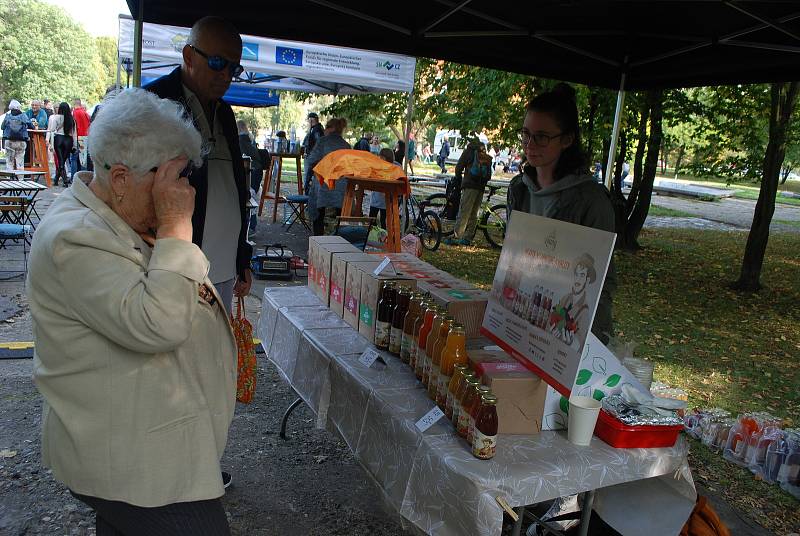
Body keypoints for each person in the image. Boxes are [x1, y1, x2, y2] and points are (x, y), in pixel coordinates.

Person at [28, 87, 236, 535]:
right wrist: (177, 229)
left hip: (138, 441)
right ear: (120, 178)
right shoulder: (75, 238)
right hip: (131, 454)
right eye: (174, 178)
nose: (184, 191)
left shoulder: (114, 216)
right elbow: (158, 324)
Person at [145, 15, 253, 320]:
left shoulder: (226, 113)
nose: (227, 75)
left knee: (213, 356)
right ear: (189, 56)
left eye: (235, 67)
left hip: (222, 270)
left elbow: (235, 186)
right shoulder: (153, 102)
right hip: (175, 267)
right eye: (218, 62)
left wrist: (241, 254)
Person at [507, 83, 615, 345]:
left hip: (565, 334)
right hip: (522, 319)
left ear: (567, 139)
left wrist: (588, 345)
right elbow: (511, 260)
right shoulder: (519, 189)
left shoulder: (591, 201)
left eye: (541, 136)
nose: (530, 144)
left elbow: (600, 284)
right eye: (526, 134)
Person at [304, 117, 351, 235]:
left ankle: (318, 243)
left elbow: (311, 161)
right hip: (341, 188)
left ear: (330, 129)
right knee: (339, 218)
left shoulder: (322, 142)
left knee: (318, 216)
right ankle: (338, 242)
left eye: (326, 127)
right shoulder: (346, 145)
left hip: (323, 185)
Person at [444, 141, 492, 246]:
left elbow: (459, 167)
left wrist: (458, 177)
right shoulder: (484, 153)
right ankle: (468, 238)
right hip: (481, 187)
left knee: (464, 211)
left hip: (470, 185)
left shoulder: (469, 151)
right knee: (474, 213)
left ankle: (457, 236)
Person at [46, 102, 76, 186]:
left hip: (58, 138)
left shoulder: (56, 118)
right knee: (63, 160)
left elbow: (52, 130)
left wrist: (51, 144)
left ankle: (64, 181)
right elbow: (74, 133)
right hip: (68, 140)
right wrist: (75, 145)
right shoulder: (72, 119)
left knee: (60, 160)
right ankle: (57, 180)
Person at [369, 148, 396, 228]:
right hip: (380, 199)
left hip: (382, 199)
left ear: (384, 158)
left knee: (378, 220)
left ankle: (380, 236)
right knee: (377, 220)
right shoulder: (394, 167)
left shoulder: (388, 167)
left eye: (381, 157)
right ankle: (379, 236)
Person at [2, 100, 32, 171]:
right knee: (20, 161)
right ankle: (20, 180)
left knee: (9, 162)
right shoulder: (23, 115)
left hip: (9, 141)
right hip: (21, 141)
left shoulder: (8, 116)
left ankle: (9, 179)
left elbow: (2, 127)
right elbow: (31, 126)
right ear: (19, 107)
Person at [237, 119, 264, 194]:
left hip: (252, 170)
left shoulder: (241, 140)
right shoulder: (249, 139)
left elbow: (243, 157)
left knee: (248, 195)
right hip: (257, 169)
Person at [71, 98, 91, 180]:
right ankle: (84, 177)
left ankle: (74, 178)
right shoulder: (85, 113)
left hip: (77, 136)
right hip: (85, 136)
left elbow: (73, 127)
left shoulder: (74, 113)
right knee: (83, 158)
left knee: (74, 158)